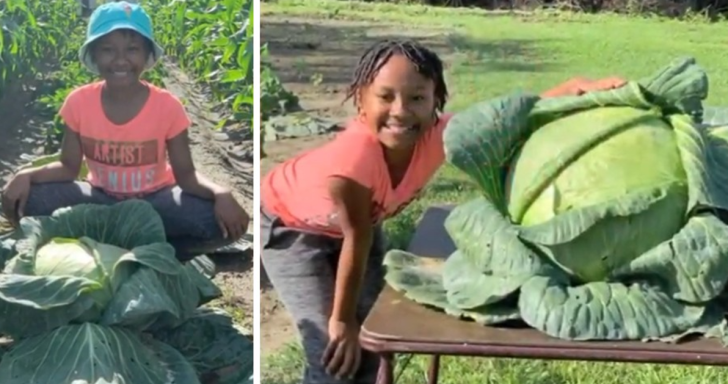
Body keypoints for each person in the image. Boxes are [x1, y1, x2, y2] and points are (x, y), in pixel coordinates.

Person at [260, 39, 626, 384]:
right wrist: (341, 320)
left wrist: (574, 89)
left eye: (417, 97)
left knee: (372, 334)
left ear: (437, 101)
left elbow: (503, 115)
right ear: (360, 100)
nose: (401, 111)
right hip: (290, 228)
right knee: (331, 350)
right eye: (385, 97)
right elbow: (357, 235)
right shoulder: (352, 159)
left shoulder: (440, 135)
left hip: (357, 227)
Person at [0, 1, 249, 262]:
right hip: (100, 201)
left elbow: (185, 176)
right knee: (25, 200)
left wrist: (221, 193)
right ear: (94, 55)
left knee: (222, 221)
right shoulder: (79, 102)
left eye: (132, 49)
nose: (120, 60)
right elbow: (68, 168)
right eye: (108, 50)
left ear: (146, 54)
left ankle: (156, 253)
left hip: (156, 203)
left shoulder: (168, 107)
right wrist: (25, 175)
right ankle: (131, 243)